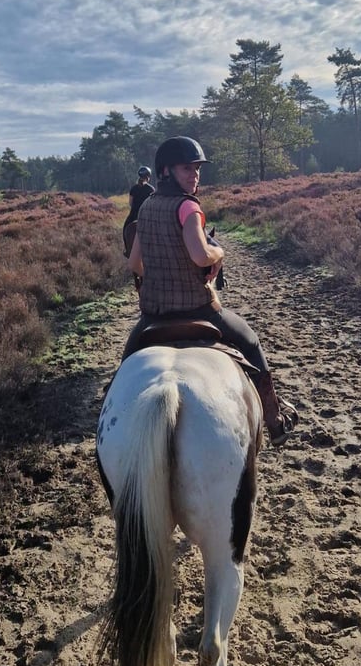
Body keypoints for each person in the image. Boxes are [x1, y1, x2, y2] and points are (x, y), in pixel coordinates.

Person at [124, 136, 298, 444]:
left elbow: (135, 265)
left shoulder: (147, 207)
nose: (194, 175)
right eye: (186, 169)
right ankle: (274, 420)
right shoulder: (189, 207)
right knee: (250, 341)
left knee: (125, 366)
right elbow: (200, 256)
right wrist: (220, 253)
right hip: (200, 309)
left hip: (153, 315)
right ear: (165, 172)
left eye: (197, 169)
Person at [122, 165, 155, 258]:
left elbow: (130, 203)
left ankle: (127, 250)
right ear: (148, 177)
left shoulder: (133, 188)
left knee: (125, 228)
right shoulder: (151, 189)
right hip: (146, 216)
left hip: (133, 215)